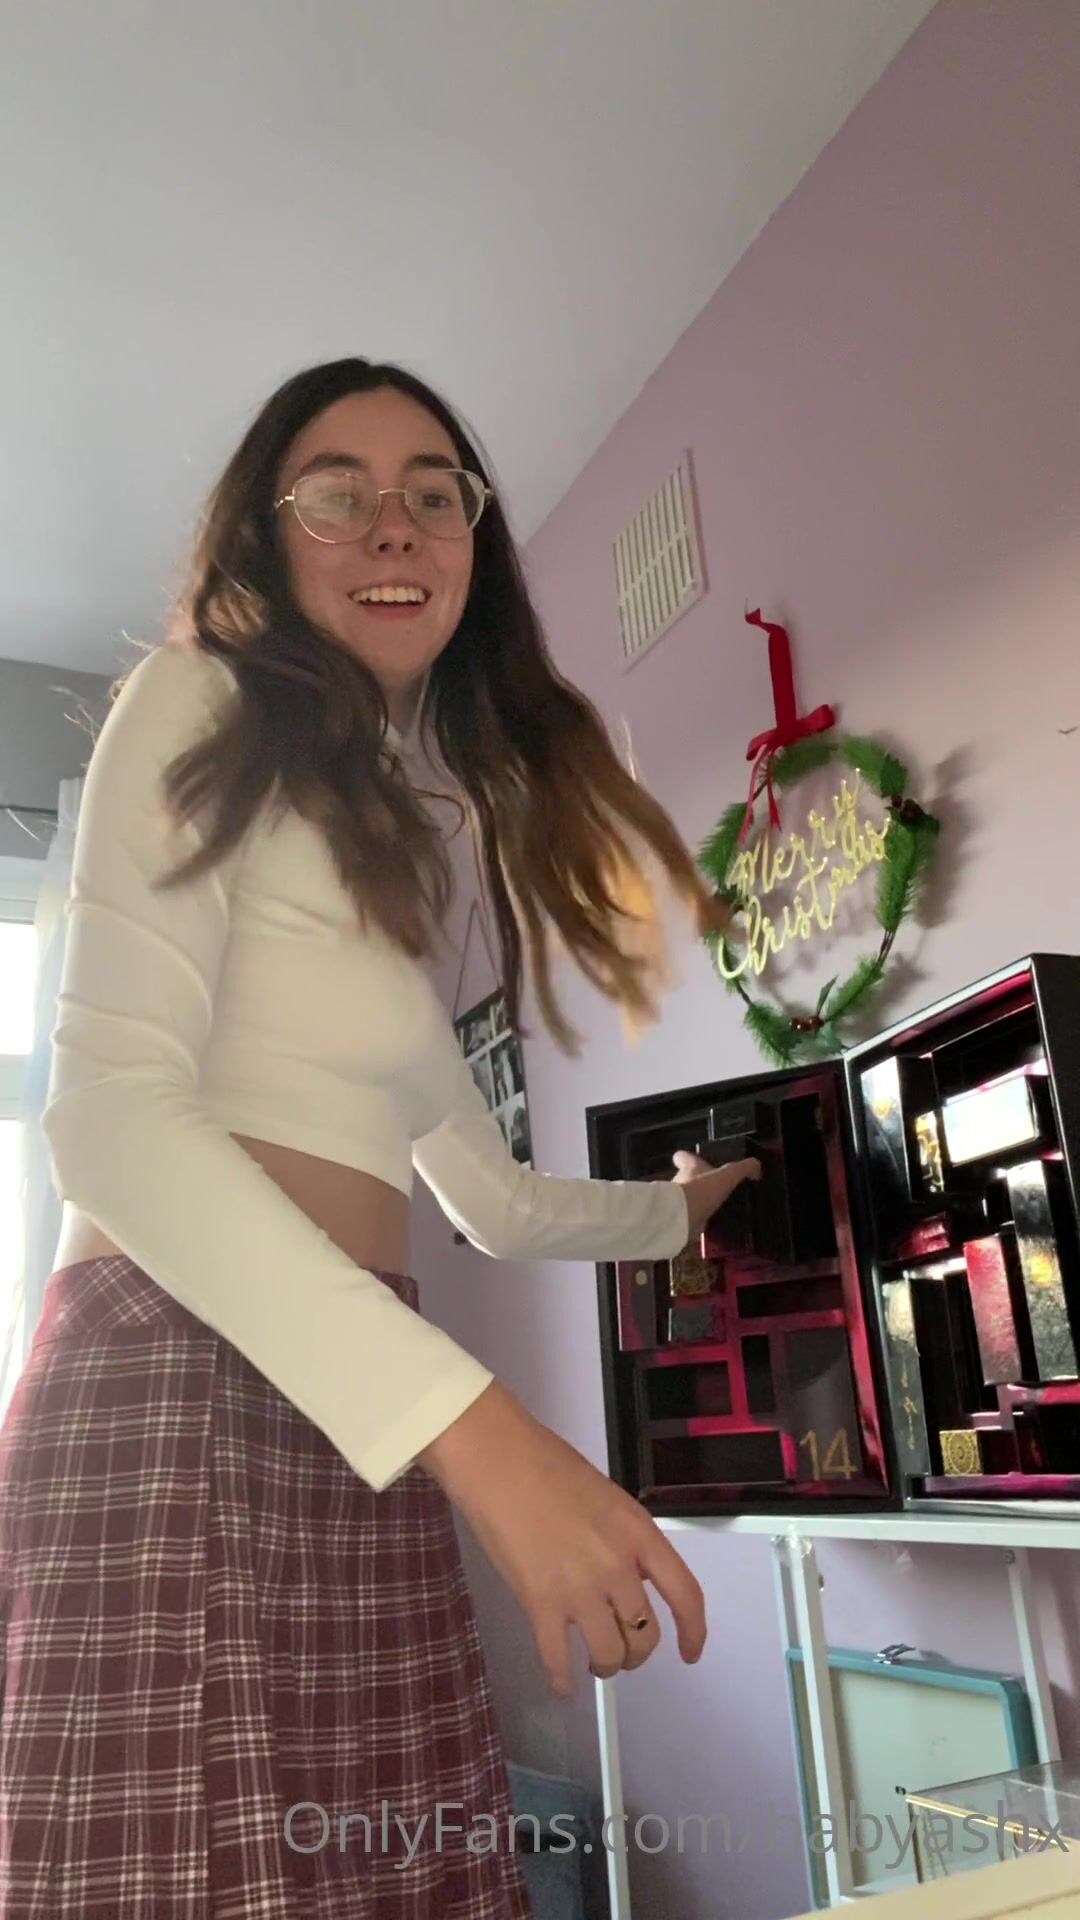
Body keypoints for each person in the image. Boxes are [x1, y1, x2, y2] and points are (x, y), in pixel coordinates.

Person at [0, 357, 759, 1918]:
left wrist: (675, 1215)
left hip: (365, 1425)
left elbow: (490, 1202)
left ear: (473, 545)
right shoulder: (201, 696)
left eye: (433, 493)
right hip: (184, 1386)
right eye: (336, 495)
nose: (392, 525)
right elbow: (110, 1120)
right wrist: (487, 1438)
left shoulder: (405, 851)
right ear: (268, 538)